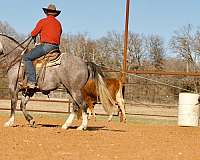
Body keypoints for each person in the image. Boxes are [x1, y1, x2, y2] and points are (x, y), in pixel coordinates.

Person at [23, 4, 62, 89]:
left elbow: (33, 33)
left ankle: (32, 81)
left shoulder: (43, 21)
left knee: (27, 57)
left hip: (46, 47)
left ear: (47, 12)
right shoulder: (58, 23)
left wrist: (36, 39)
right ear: (55, 14)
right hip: (56, 48)